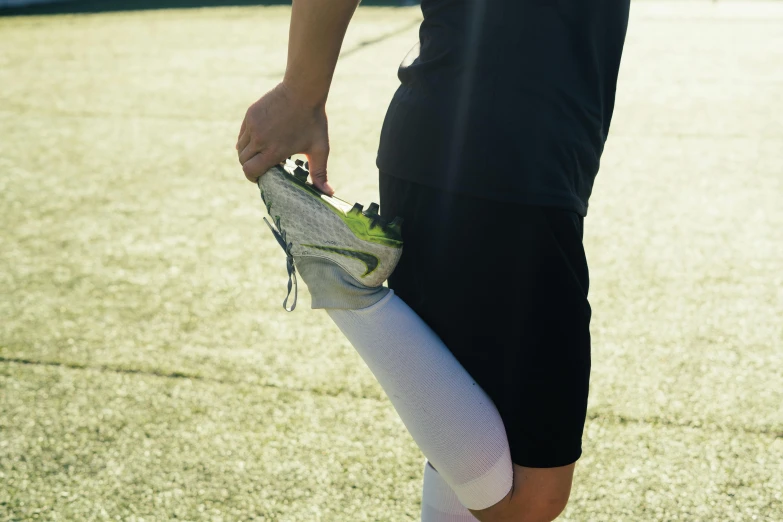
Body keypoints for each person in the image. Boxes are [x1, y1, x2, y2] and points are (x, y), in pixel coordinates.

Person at [236, 1, 630, 520]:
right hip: (498, 164)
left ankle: (346, 275)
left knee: (479, 446)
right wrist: (300, 91)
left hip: (494, 155)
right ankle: (345, 281)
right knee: (528, 498)